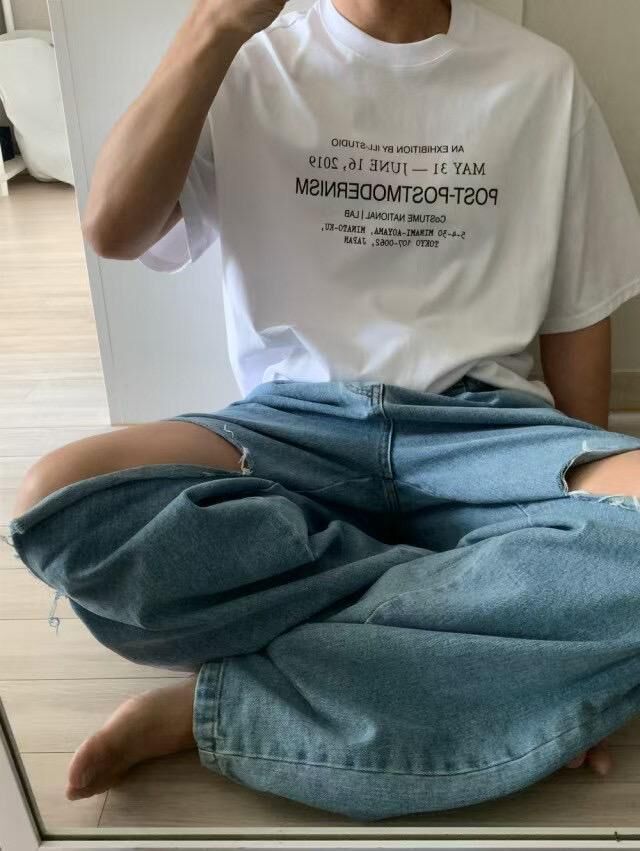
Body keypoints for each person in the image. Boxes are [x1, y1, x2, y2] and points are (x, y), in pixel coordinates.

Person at [8, 0, 640, 822]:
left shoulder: (541, 77)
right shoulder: (245, 59)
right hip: (292, 433)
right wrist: (214, 26)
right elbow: (114, 230)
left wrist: (570, 477)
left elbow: (579, 312)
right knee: (61, 502)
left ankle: (225, 704)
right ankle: (495, 633)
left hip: (485, 432)